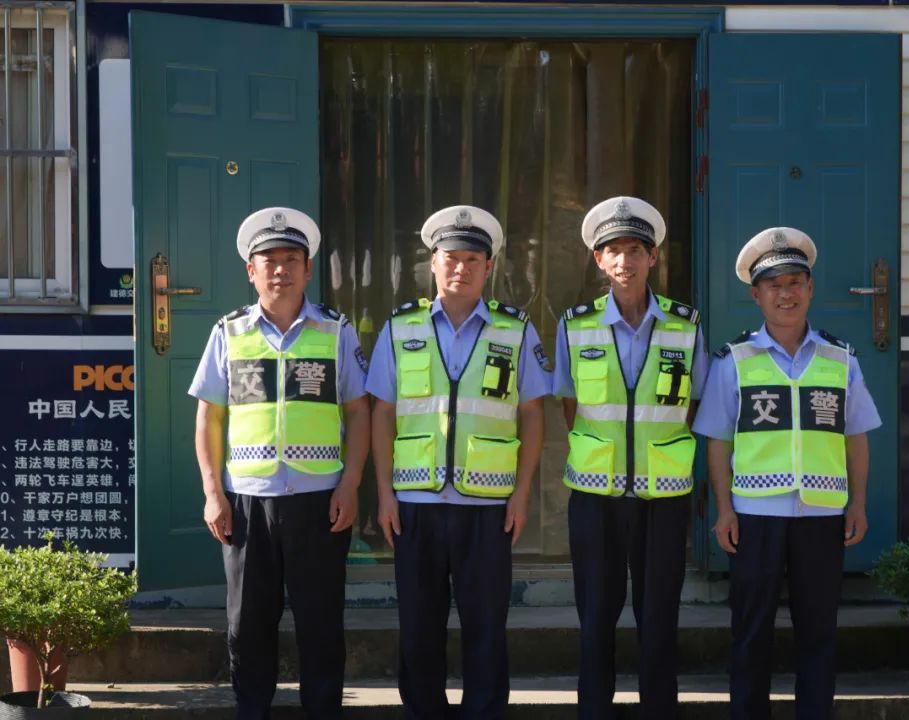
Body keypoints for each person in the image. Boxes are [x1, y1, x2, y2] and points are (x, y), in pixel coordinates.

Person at [367, 205, 549, 720]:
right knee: (418, 628)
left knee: (486, 628)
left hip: (488, 506)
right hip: (415, 504)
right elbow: (382, 413)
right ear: (433, 263)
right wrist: (384, 495)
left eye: (472, 259)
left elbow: (533, 415)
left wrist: (521, 494)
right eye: (451, 258)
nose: (461, 268)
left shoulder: (515, 331)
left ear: (488, 267)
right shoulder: (400, 328)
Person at [692, 226, 881, 720]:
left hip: (822, 516)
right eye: (774, 285)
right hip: (754, 517)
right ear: (755, 295)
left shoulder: (840, 358)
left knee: (818, 632)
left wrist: (858, 503)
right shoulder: (734, 361)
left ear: (810, 288)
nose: (786, 294)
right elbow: (718, 440)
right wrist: (724, 510)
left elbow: (856, 436)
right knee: (750, 631)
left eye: (795, 283)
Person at [190, 207, 370, 719]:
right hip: (248, 503)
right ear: (251, 271)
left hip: (320, 502)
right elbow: (209, 418)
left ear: (308, 269)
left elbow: (359, 413)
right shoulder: (229, 333)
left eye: (292, 259)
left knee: (321, 626)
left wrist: (350, 484)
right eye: (269, 260)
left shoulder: (335, 331)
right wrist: (213, 493)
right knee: (247, 627)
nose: (280, 270)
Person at [553, 196, 708, 719]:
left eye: (636, 250)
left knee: (658, 617)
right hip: (595, 494)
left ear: (653, 257)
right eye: (614, 251)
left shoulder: (685, 326)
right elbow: (570, 405)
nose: (625, 261)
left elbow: (693, 405)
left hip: (664, 494)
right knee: (595, 617)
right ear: (598, 260)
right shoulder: (575, 326)